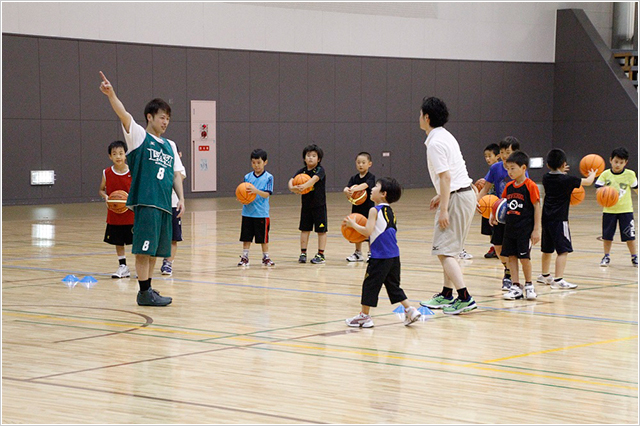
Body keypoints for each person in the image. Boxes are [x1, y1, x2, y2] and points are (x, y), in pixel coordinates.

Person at [99, 71, 185, 307]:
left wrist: (181, 199)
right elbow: (123, 114)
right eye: (161, 117)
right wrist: (111, 94)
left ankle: (148, 288)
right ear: (150, 117)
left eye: (168, 118)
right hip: (147, 202)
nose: (165, 122)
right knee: (144, 250)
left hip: (164, 205)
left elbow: (175, 173)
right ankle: (143, 293)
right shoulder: (138, 136)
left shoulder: (170, 145)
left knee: (155, 251)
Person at [418, 97, 477, 315]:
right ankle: (446, 294)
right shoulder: (445, 136)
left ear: (427, 117)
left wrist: (444, 208)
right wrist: (441, 195)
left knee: (443, 251)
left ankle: (465, 297)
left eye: (420, 114)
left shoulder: (435, 143)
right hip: (462, 193)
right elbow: (452, 173)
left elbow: (446, 176)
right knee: (449, 250)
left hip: (457, 197)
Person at [344, 177, 421, 327]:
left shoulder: (374, 210)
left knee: (369, 285)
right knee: (393, 286)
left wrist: (353, 225)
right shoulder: (390, 211)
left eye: (376, 186)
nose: (372, 188)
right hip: (394, 256)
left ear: (383, 194)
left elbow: (367, 231)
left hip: (380, 256)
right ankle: (410, 309)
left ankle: (364, 316)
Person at [537, 148, 597, 289]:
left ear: (548, 165)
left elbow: (557, 177)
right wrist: (593, 174)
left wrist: (561, 171)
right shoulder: (568, 180)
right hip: (559, 219)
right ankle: (558, 280)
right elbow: (588, 182)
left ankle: (544, 275)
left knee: (547, 249)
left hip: (546, 218)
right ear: (564, 164)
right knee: (563, 250)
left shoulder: (545, 178)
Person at [476, 137, 526, 291]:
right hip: (499, 212)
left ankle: (513, 278)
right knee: (498, 246)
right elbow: (485, 188)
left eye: (508, 152)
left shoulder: (520, 169)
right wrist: (477, 202)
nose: (504, 155)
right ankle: (507, 269)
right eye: (502, 152)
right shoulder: (495, 168)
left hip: (516, 213)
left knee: (514, 250)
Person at [497, 151, 541, 300]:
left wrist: (536, 229)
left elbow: (537, 207)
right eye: (508, 169)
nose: (509, 172)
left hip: (525, 229)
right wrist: (493, 215)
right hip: (510, 228)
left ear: (523, 168)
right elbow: (502, 204)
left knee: (524, 258)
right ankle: (516, 286)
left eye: (513, 168)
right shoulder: (508, 187)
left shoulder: (530, 186)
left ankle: (529, 284)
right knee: (511, 257)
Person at [595, 147, 638, 267]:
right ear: (610, 160)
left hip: (626, 210)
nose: (618, 165)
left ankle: (634, 257)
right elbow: (598, 188)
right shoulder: (605, 174)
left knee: (630, 236)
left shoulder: (630, 174)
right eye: (616, 162)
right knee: (607, 236)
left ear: (626, 163)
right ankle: (606, 256)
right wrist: (604, 192)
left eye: (621, 162)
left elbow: (636, 189)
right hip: (609, 210)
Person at [99, 140, 134, 279]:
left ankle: (140, 267)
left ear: (125, 155)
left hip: (131, 213)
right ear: (110, 156)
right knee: (118, 241)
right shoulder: (106, 172)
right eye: (114, 154)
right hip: (115, 213)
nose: (118, 156)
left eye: (121, 153)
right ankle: (123, 266)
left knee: (136, 241)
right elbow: (101, 190)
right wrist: (106, 197)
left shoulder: (133, 171)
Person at [288, 144, 328, 264]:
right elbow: (291, 180)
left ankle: (321, 254)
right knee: (304, 229)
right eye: (308, 155)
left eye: (314, 156)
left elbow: (313, 180)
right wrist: (292, 188)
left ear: (319, 159)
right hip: (306, 205)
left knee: (321, 230)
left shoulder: (320, 170)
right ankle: (303, 253)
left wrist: (303, 186)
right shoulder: (302, 172)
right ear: (304, 158)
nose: (311, 158)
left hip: (319, 205)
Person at [237, 148, 275, 267]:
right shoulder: (247, 177)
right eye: (253, 162)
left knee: (263, 238)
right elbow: (243, 192)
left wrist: (255, 190)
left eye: (259, 162)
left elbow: (266, 194)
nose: (256, 165)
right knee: (246, 237)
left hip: (261, 213)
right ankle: (245, 257)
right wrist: (241, 197)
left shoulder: (269, 177)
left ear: (265, 162)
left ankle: (266, 257)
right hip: (247, 212)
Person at [343, 152, 376, 262]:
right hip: (356, 208)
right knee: (356, 230)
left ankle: (371, 253)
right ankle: (358, 253)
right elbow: (347, 188)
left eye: (363, 162)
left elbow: (365, 185)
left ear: (369, 164)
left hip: (368, 209)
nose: (360, 165)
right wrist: (346, 191)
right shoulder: (354, 178)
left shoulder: (371, 177)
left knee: (369, 231)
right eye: (358, 162)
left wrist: (354, 189)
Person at [160, 143, 186, 276]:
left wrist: (181, 199)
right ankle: (147, 262)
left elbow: (179, 177)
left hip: (173, 203)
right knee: (156, 236)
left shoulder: (178, 167)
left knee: (173, 237)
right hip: (157, 203)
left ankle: (168, 262)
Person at [481, 143, 500, 259]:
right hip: (488, 202)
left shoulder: (498, 168)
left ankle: (498, 247)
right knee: (490, 228)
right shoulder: (491, 170)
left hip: (497, 202)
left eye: (490, 156)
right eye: (486, 156)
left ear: (497, 156)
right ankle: (493, 247)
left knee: (496, 227)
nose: (487, 159)